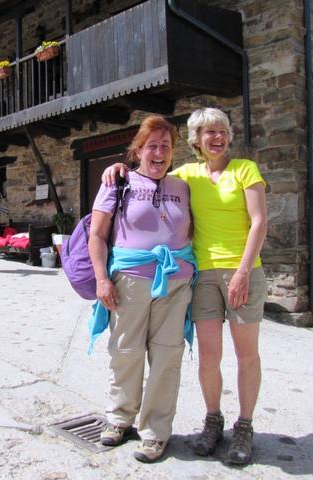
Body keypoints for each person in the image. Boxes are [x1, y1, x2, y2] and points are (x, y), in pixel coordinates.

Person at [102, 107, 268, 465]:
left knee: (245, 354)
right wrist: (117, 168)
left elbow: (259, 223)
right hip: (203, 274)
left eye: (221, 130)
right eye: (208, 132)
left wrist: (242, 272)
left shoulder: (245, 170)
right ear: (196, 140)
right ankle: (213, 421)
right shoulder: (186, 176)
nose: (216, 137)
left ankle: (244, 426)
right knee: (208, 356)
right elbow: (148, 174)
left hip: (241, 272)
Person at [89, 115, 197, 463]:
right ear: (138, 150)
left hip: (175, 281)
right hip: (130, 280)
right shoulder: (117, 181)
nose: (159, 152)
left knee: (167, 355)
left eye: (166, 146)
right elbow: (97, 235)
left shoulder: (183, 187)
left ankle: (155, 433)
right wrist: (102, 279)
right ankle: (120, 418)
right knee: (126, 350)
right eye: (152, 146)